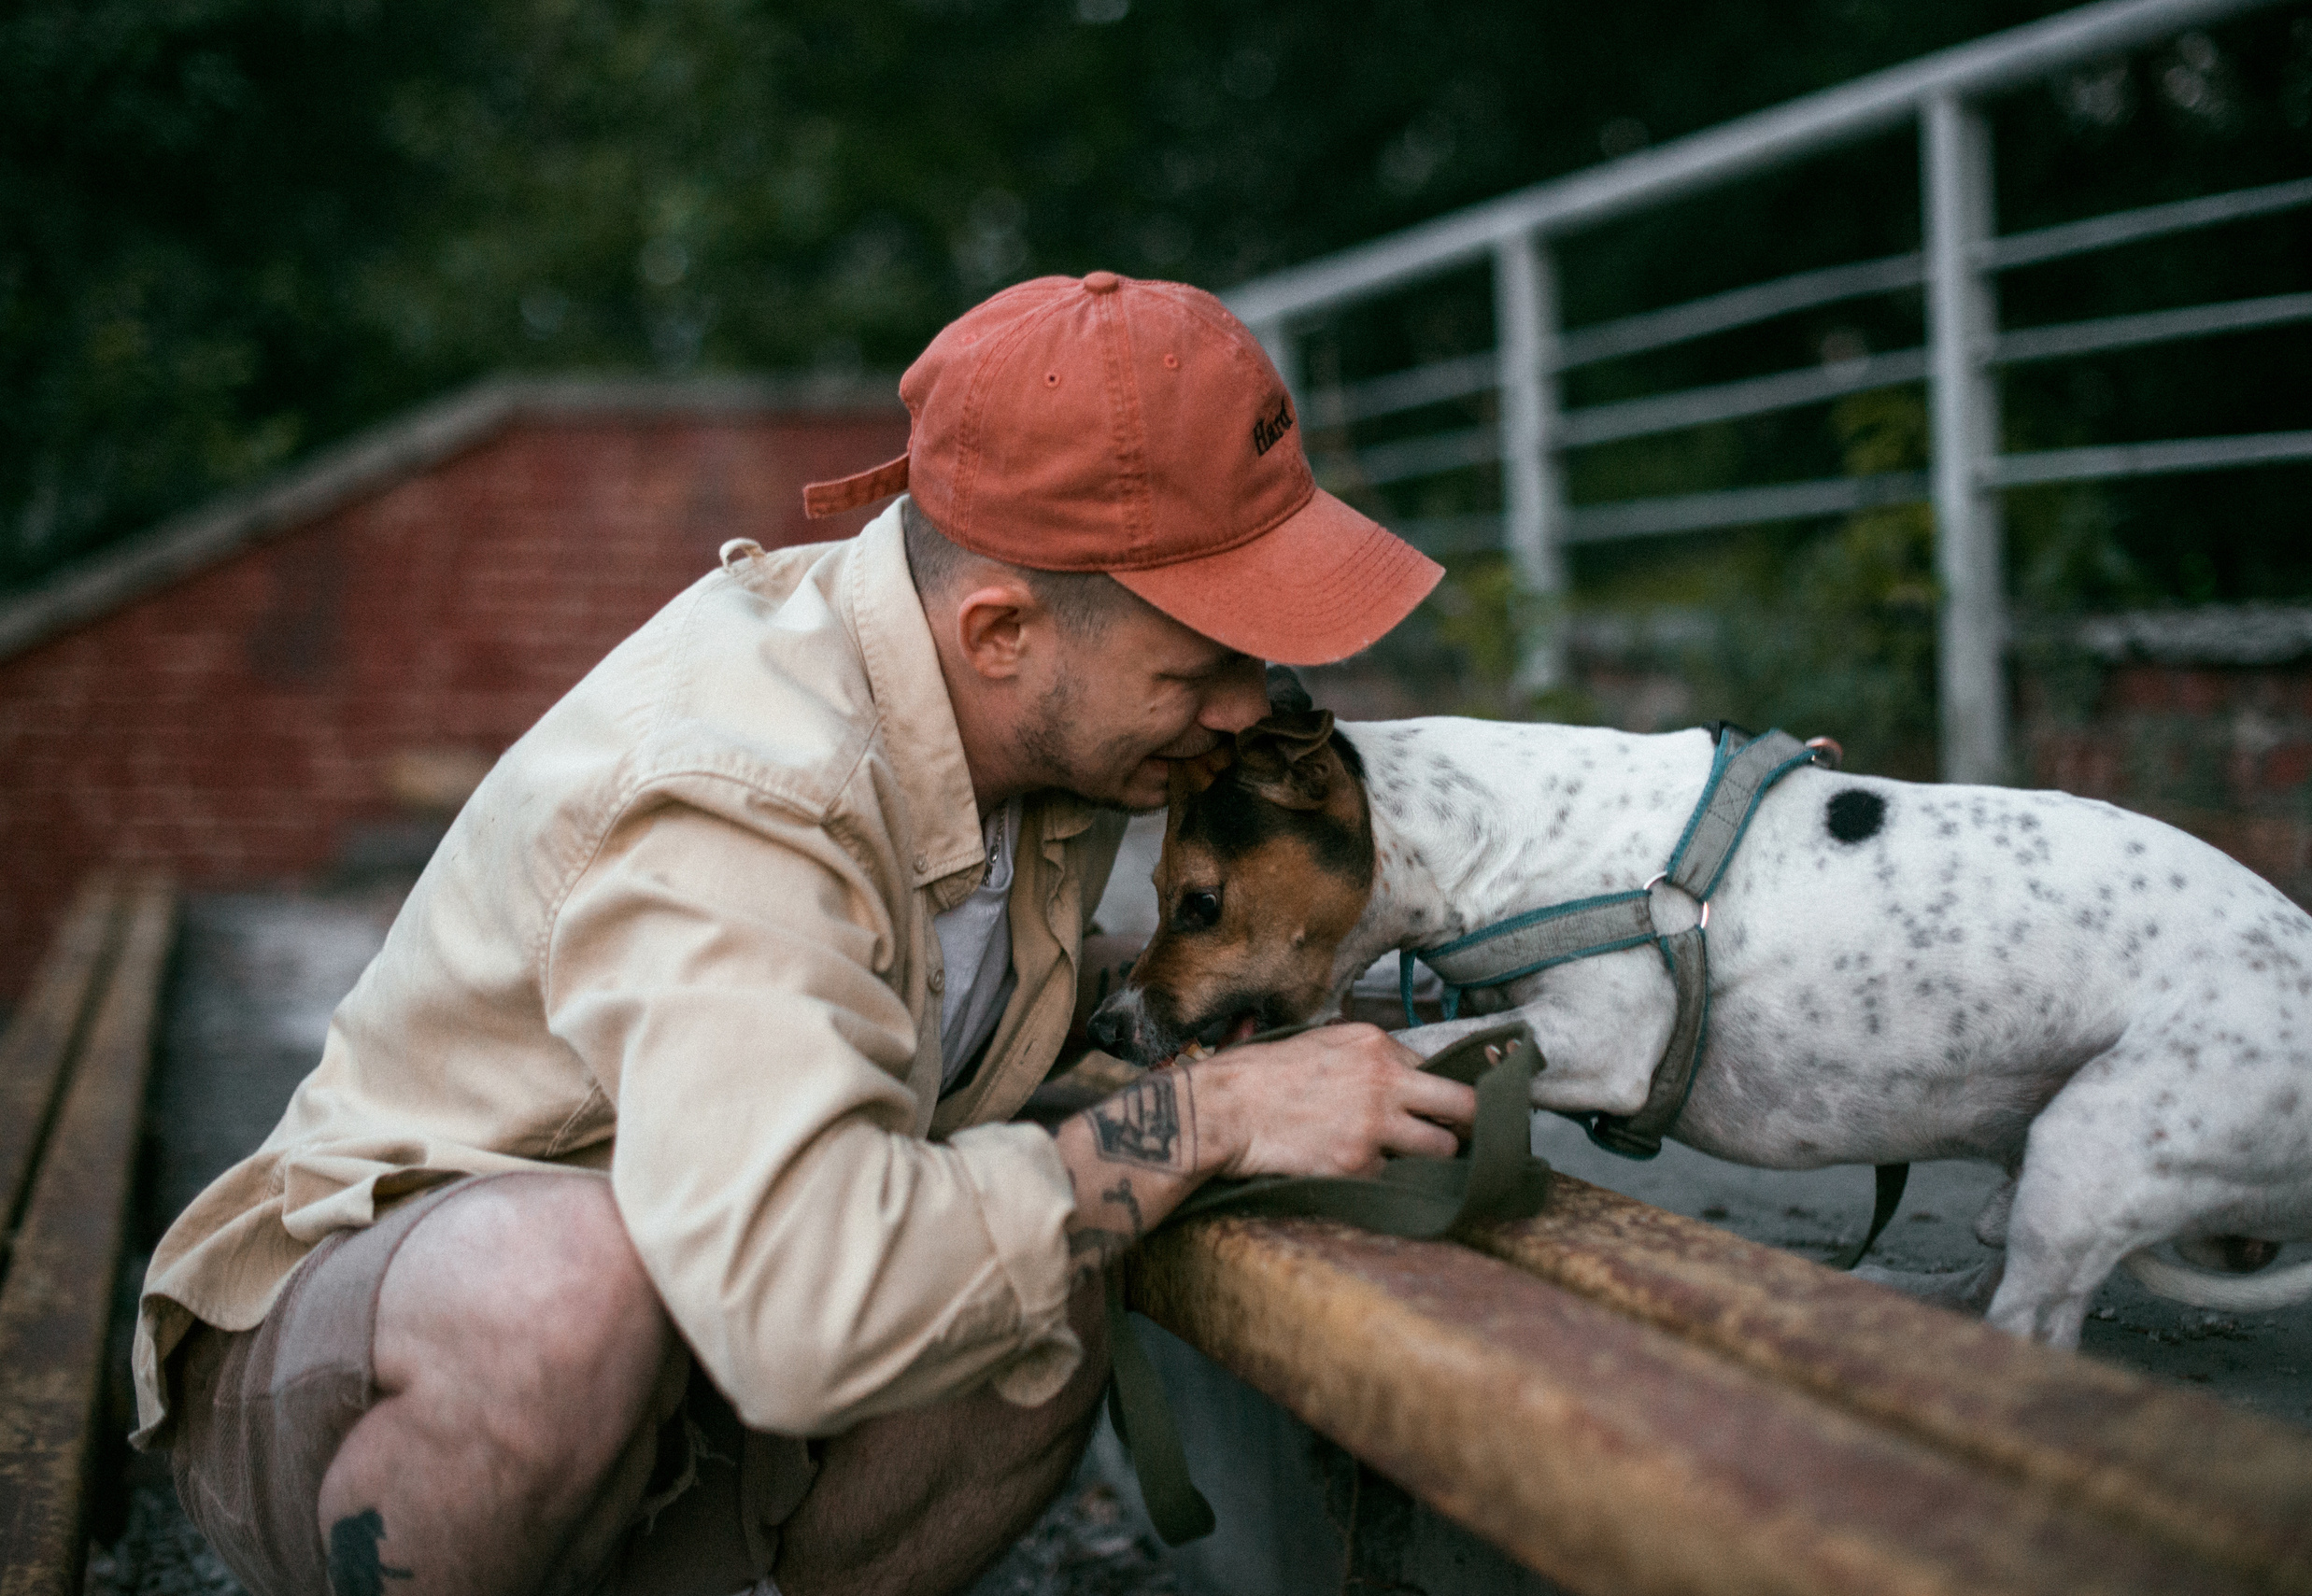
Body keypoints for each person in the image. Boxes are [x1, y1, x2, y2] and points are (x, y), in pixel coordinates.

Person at [134, 270, 1473, 1596]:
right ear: (1000, 630)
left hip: (692, 1348)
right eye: (1202, 665)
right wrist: (1207, 1120)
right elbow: (802, 1303)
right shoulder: (748, 790)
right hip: (373, 1360)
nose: (1247, 708)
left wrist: (1314, 1017)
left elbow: (950, 999)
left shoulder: (1036, 728)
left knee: (1042, 1290)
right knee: (563, 1290)